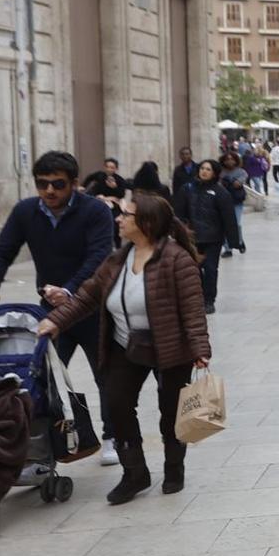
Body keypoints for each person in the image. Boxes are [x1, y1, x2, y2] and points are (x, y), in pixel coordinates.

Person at [39, 191, 209, 501]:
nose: (119, 218)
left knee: (170, 411)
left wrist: (199, 349)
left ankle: (174, 470)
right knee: (117, 405)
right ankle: (135, 474)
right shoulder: (118, 259)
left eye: (125, 214)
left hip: (169, 347)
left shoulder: (176, 259)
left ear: (145, 222)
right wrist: (55, 321)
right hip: (125, 345)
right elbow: (88, 296)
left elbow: (193, 308)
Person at [0, 151, 113, 462]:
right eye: (42, 184)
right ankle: (49, 440)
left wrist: (69, 289)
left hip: (95, 310)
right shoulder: (26, 212)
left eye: (58, 184)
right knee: (40, 377)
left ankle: (112, 436)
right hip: (52, 314)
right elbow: (2, 250)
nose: (50, 191)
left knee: (105, 376)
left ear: (74, 184)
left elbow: (99, 257)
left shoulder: (95, 211)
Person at [175, 159, 242, 310]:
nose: (204, 171)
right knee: (194, 270)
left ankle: (209, 299)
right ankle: (197, 297)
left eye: (208, 169)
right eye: (202, 168)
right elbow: (179, 212)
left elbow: (229, 217)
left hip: (212, 238)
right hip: (192, 238)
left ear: (214, 173)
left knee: (211, 269)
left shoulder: (220, 192)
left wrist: (234, 241)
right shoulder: (188, 189)